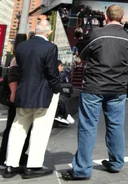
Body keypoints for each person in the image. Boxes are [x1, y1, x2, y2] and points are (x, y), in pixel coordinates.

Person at [62, 4, 128, 181]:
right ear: (121, 18)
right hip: (118, 89)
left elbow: (82, 55)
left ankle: (82, 170)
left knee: (88, 127)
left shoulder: (96, 34)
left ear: (106, 17)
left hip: (94, 86)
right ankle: (116, 163)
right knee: (116, 126)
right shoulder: (127, 38)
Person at [3, 20, 61, 179]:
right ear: (48, 32)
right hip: (43, 93)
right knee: (40, 129)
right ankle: (33, 166)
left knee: (18, 128)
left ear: (35, 30)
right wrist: (57, 88)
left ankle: (10, 165)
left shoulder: (21, 47)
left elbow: (17, 69)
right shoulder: (50, 47)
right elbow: (52, 72)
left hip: (23, 92)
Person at [0, 58, 31, 170]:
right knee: (18, 127)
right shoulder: (22, 55)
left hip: (17, 96)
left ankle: (7, 155)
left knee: (13, 126)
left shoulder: (21, 53)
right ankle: (13, 156)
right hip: (19, 96)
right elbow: (13, 73)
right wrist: (14, 92)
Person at [55, 61, 75, 125]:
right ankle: (66, 115)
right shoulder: (54, 75)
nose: (62, 67)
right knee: (59, 99)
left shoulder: (63, 74)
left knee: (63, 98)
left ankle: (61, 116)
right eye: (60, 66)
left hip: (58, 92)